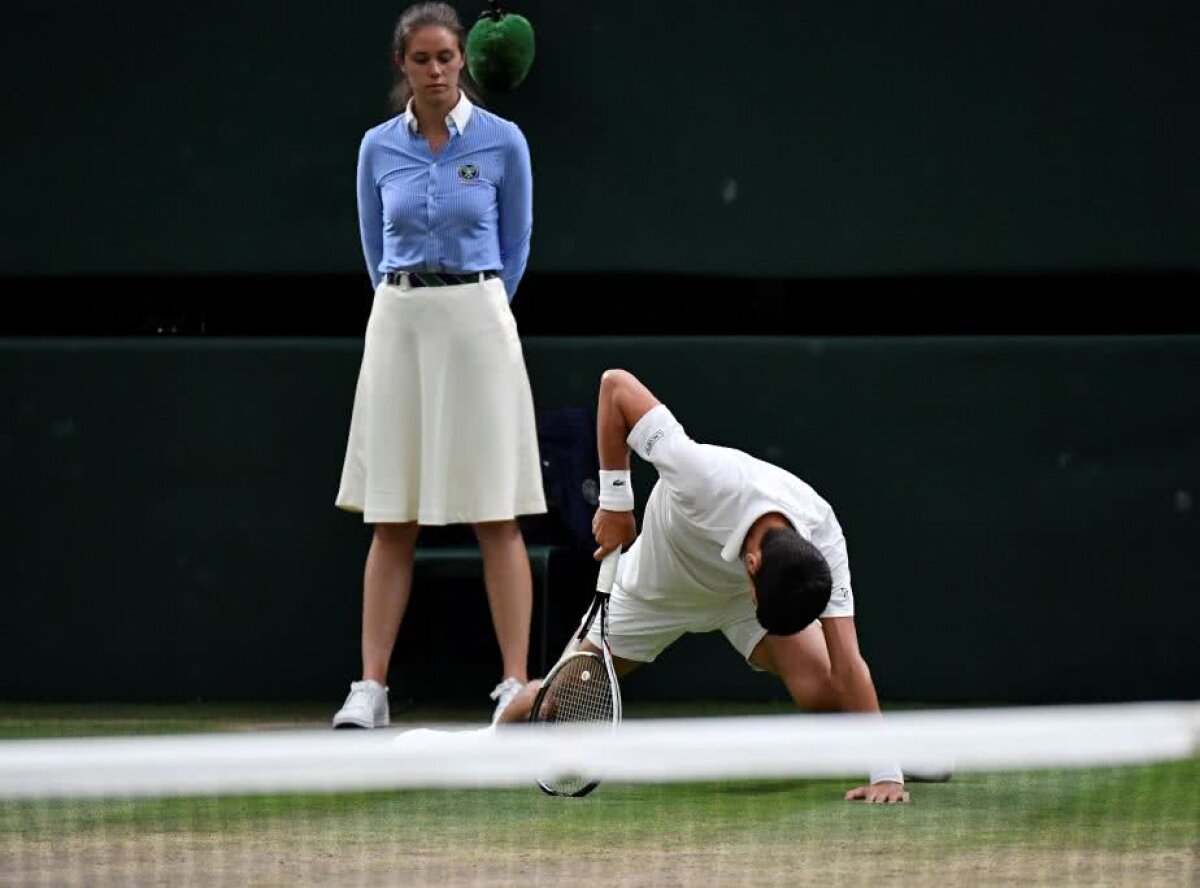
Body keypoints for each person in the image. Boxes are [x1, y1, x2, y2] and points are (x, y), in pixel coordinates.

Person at [497, 368, 920, 803]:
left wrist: (886, 774)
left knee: (828, 695)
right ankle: (500, 722)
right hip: (654, 590)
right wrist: (617, 502)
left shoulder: (822, 531)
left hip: (737, 596)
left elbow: (848, 663)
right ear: (753, 564)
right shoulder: (704, 477)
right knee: (556, 708)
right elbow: (615, 386)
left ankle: (893, 751)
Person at [332, 2, 545, 730]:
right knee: (392, 516)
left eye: (445, 58)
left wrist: (475, 308)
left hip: (479, 321)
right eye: (420, 59)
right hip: (398, 322)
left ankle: (515, 683)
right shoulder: (375, 148)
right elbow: (372, 246)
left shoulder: (504, 142)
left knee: (496, 511)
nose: (434, 71)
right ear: (403, 65)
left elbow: (515, 244)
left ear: (465, 62)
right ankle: (371, 688)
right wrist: (412, 303)